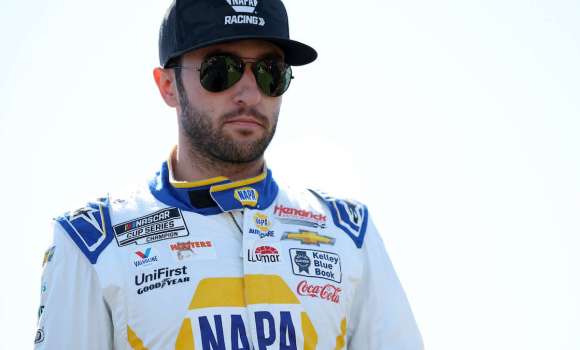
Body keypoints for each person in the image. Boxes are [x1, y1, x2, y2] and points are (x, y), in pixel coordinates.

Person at [34, 0, 424, 349]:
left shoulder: (349, 233)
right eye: (221, 71)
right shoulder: (92, 242)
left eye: (270, 71)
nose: (249, 94)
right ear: (168, 85)